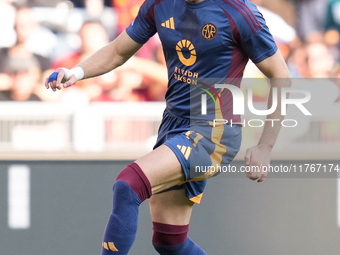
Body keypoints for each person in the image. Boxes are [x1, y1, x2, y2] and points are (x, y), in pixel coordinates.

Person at [45, 0, 291, 254]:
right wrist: (77, 71)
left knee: (128, 185)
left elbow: (281, 75)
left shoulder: (240, 12)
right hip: (173, 124)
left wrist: (265, 146)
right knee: (169, 242)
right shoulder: (160, 4)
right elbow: (119, 51)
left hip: (213, 131)